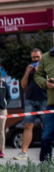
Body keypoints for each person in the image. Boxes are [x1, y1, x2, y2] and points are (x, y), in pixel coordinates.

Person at [13, 48, 48, 161]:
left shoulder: (47, 66)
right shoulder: (29, 68)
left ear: (42, 56)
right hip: (30, 100)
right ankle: (24, 152)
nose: (35, 59)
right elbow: (23, 85)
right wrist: (28, 72)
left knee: (46, 126)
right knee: (28, 125)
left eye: (37, 57)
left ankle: (46, 152)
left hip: (44, 99)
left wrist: (40, 73)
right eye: (33, 57)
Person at [33, 34, 54, 162]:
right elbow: (38, 76)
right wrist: (46, 83)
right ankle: (45, 169)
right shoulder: (46, 57)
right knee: (46, 137)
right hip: (52, 104)